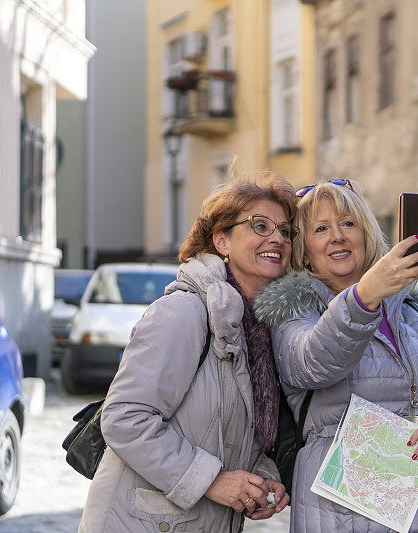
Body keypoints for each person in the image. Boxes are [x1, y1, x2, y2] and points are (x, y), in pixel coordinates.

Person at [252, 180, 418, 533]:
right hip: (348, 519)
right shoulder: (295, 310)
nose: (338, 237)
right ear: (303, 247)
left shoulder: (411, 310)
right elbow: (314, 365)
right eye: (320, 229)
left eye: (348, 223)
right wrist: (363, 297)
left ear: (367, 233)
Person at [79, 173, 294, 532]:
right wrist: (212, 481)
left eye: (286, 231)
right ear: (221, 240)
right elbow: (123, 417)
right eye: (260, 225)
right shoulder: (186, 312)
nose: (277, 238)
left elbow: (234, 435)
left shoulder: (257, 331)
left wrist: (260, 478)